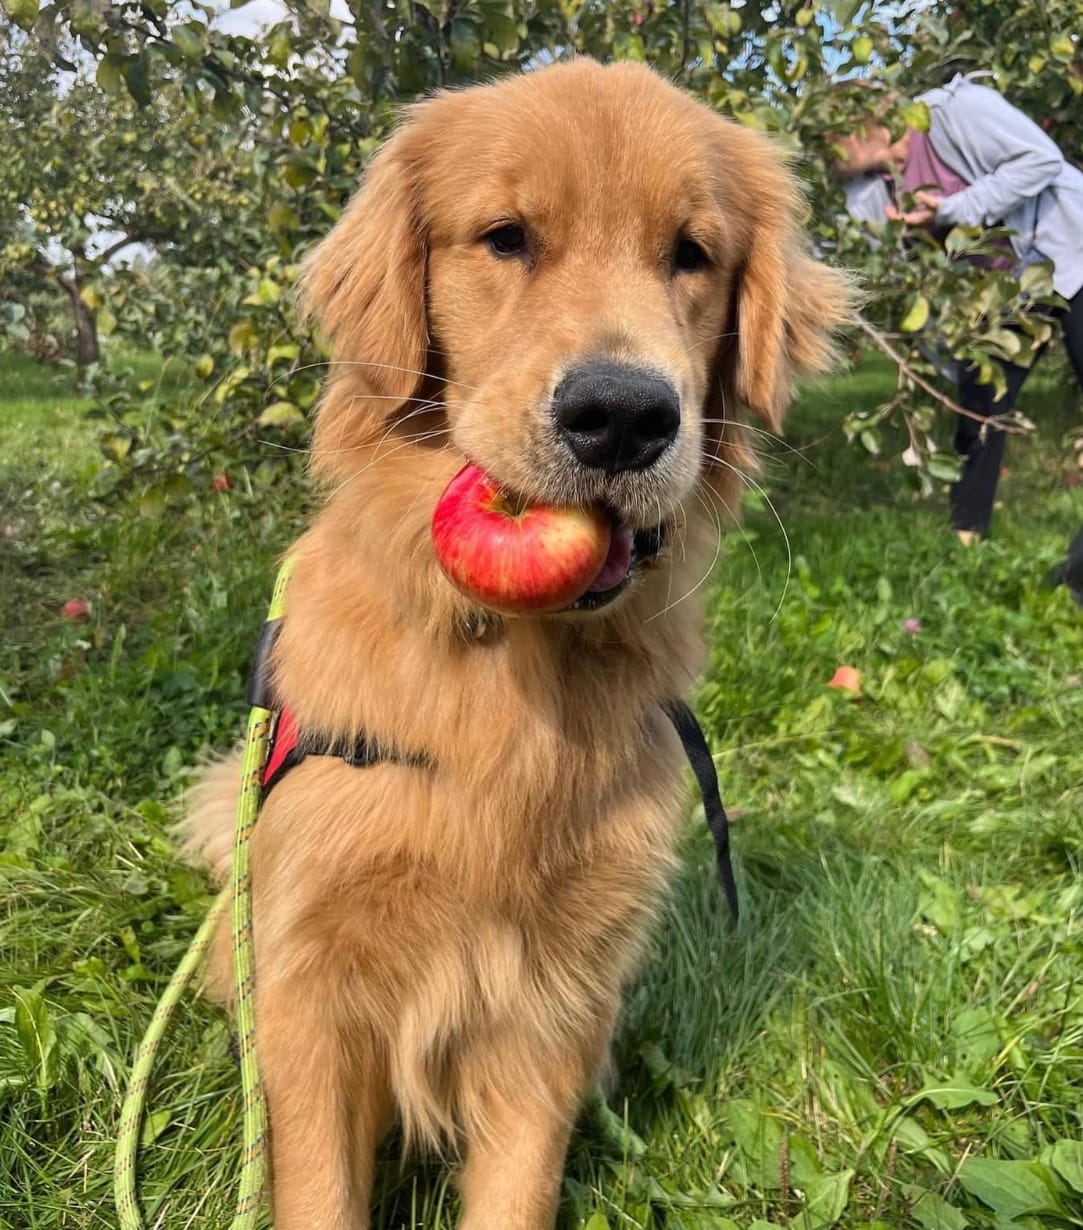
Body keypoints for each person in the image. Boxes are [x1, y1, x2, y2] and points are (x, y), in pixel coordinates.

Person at [833, 75, 1083, 545]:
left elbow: (1042, 159)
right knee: (982, 396)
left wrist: (953, 209)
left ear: (872, 120)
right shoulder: (867, 188)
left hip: (1070, 246)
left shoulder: (954, 111)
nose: (832, 152)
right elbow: (892, 270)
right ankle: (968, 535)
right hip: (1008, 288)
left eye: (836, 135)